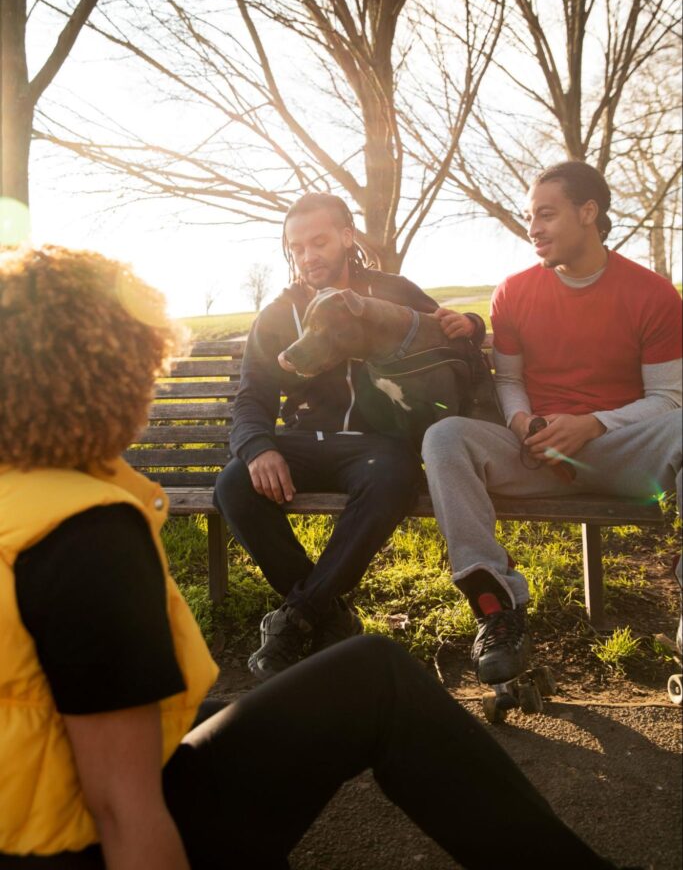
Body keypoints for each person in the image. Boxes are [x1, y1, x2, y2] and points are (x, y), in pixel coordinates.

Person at [0, 244, 636, 870]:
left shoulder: (22, 499)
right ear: (111, 380)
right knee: (380, 678)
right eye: (147, 369)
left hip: (40, 774)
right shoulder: (83, 533)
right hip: (65, 838)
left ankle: (310, 614)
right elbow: (122, 808)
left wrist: (468, 325)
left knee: (335, 679)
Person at [422, 160, 683, 686]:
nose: (533, 229)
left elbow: (668, 398)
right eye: (528, 217)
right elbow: (509, 379)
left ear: (588, 213)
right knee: (445, 437)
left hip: (622, 453)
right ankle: (497, 611)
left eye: (546, 214)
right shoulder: (513, 293)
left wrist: (594, 424)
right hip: (536, 455)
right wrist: (521, 421)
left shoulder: (653, 293)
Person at [213, 192, 484, 681]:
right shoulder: (278, 314)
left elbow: (447, 336)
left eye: (318, 242)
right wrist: (258, 448)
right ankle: (324, 613)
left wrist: (473, 324)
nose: (307, 256)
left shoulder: (393, 291)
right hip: (304, 442)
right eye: (297, 247)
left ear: (346, 236)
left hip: (377, 448)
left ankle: (299, 616)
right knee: (234, 484)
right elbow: (252, 397)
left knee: (394, 479)